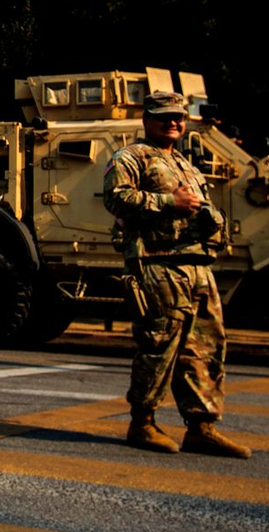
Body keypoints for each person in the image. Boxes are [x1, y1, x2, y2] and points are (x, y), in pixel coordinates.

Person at [103, 90, 251, 459]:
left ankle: (202, 427)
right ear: (146, 120)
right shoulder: (130, 157)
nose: (173, 122)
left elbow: (201, 206)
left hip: (196, 264)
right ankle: (143, 422)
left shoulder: (184, 163)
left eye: (178, 118)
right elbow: (116, 198)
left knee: (205, 348)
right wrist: (172, 203)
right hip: (157, 263)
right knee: (159, 346)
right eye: (164, 116)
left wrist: (209, 217)